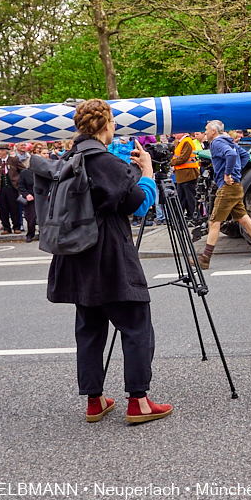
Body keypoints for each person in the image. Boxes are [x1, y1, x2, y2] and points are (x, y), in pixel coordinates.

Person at [47, 99, 171, 425]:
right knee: (136, 324)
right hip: (110, 255)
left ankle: (94, 400)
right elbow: (139, 205)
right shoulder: (105, 162)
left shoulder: (68, 158)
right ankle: (139, 401)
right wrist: (146, 171)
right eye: (113, 121)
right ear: (105, 126)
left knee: (89, 329)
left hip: (75, 257)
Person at [197, 121, 251, 268]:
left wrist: (227, 174)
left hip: (227, 187)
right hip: (235, 186)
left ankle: (205, 258)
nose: (205, 132)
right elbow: (244, 156)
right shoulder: (229, 141)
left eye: (206, 130)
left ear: (213, 131)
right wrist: (236, 173)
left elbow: (231, 155)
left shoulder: (217, 143)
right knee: (243, 218)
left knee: (214, 221)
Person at [169, 131, 202, 220]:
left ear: (183, 133)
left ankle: (195, 216)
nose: (174, 134)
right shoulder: (183, 142)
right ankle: (185, 216)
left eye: (176, 132)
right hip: (183, 174)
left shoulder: (187, 142)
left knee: (190, 197)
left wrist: (171, 162)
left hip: (188, 174)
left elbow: (183, 158)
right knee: (183, 197)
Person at [0, 147, 25, 234]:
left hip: (12, 188)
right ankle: (6, 227)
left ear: (4, 151)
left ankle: (17, 227)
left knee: (14, 208)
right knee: (3, 209)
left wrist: (19, 182)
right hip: (1, 189)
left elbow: (24, 170)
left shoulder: (14, 160)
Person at [17, 146, 42, 243]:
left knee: (42, 217)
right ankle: (30, 234)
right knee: (31, 218)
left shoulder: (42, 172)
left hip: (41, 196)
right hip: (30, 198)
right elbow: (20, 185)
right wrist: (26, 195)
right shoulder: (25, 172)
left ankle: (42, 234)